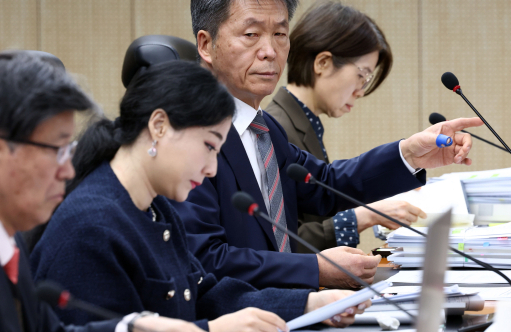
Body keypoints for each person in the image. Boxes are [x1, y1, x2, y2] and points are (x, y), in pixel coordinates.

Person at [172, 0, 483, 291]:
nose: (270, 51)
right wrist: (315, 269)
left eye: (280, 34)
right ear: (206, 45)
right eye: (251, 35)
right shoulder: (189, 134)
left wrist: (409, 154)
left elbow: (325, 184)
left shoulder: (263, 129)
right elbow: (204, 259)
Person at [30, 61, 369, 331]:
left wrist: (309, 305)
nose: (211, 169)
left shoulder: (155, 209)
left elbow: (205, 292)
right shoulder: (92, 227)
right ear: (159, 126)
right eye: (208, 147)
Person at [0, 51, 203, 332]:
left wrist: (129, 327)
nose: (68, 171)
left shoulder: (3, 234)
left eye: (70, 151)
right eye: (58, 150)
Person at [265, 0, 427, 253]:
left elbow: (326, 194)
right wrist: (363, 217)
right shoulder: (278, 128)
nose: (361, 91)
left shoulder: (301, 122)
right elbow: (280, 241)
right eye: (361, 75)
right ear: (323, 63)